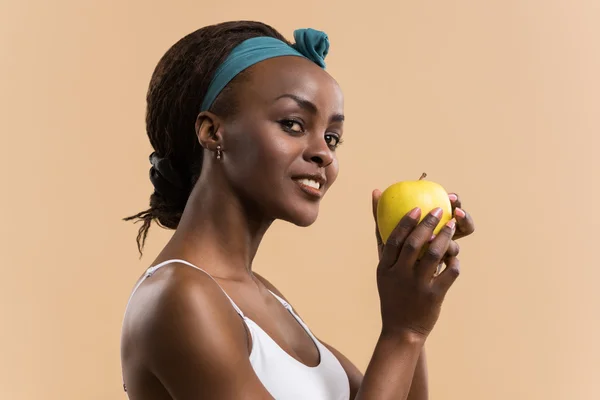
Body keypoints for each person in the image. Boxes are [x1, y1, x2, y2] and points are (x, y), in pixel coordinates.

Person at [120, 20, 475, 400]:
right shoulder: (179, 299)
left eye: (332, 137)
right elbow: (400, 342)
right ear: (212, 132)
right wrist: (404, 330)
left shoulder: (262, 298)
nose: (323, 152)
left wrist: (410, 273)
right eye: (292, 124)